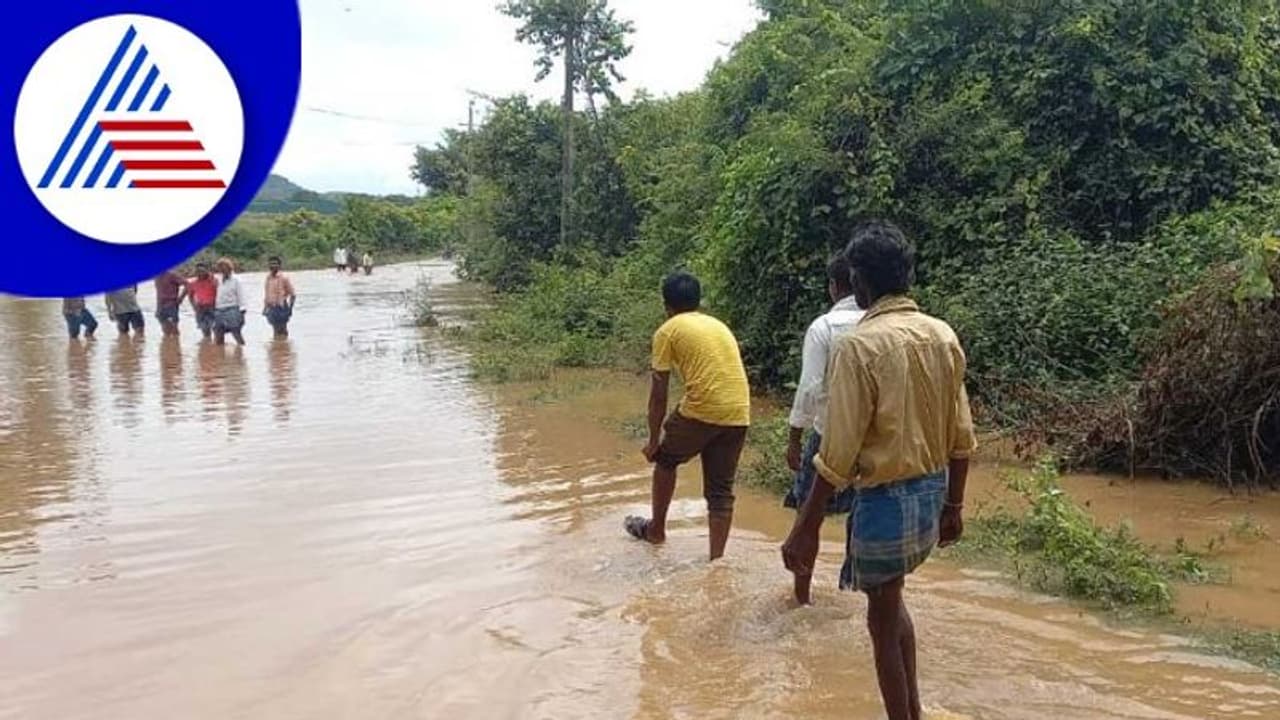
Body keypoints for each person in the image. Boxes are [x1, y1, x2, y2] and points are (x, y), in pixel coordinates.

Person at [781, 221, 977, 720]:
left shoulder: (860, 346)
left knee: (881, 623)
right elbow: (962, 435)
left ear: (860, 281)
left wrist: (804, 528)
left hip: (886, 501)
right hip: (931, 494)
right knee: (891, 604)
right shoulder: (942, 335)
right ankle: (914, 711)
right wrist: (954, 505)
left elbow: (838, 453)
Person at [624, 272, 751, 561]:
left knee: (666, 460)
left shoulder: (668, 330)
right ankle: (716, 560)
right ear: (698, 301)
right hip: (739, 412)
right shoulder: (717, 325)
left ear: (666, 306)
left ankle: (656, 530)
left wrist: (654, 439)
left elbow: (659, 392)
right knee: (720, 492)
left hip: (703, 407)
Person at [783, 253, 865, 605]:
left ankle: (802, 598)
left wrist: (794, 437)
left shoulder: (824, 327)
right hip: (873, 439)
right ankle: (861, 595)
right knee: (863, 514)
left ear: (834, 287)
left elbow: (810, 388)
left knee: (809, 513)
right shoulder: (881, 323)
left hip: (828, 435)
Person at [212, 257, 247, 346]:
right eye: (220, 268)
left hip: (232, 309)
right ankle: (221, 355)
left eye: (224, 267)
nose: (222, 269)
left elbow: (241, 295)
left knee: (236, 332)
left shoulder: (236, 280)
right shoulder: (218, 280)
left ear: (229, 267)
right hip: (219, 309)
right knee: (218, 333)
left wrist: (242, 311)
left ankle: (242, 351)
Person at [263, 256, 297, 339]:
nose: (273, 265)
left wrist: (290, 309)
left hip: (282, 307)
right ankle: (278, 347)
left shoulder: (284, 278)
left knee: (283, 328)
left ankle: (284, 347)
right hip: (271, 307)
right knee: (275, 328)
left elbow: (293, 294)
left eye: (275, 264)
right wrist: (265, 308)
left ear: (279, 265)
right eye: (271, 264)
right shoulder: (268, 278)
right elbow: (267, 294)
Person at [188, 262, 219, 340]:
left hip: (213, 307)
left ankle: (216, 348)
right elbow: (190, 296)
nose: (200, 273)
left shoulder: (213, 281)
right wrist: (194, 306)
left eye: (202, 271)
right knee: (204, 330)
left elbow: (220, 293)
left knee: (216, 329)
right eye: (198, 271)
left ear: (206, 270)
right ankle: (207, 346)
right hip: (200, 308)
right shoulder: (193, 283)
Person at [154, 267, 190, 337]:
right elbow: (159, 292)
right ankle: (169, 345)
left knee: (174, 328)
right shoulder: (156, 276)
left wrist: (181, 298)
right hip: (160, 305)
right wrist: (158, 307)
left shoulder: (171, 275)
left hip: (171, 304)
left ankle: (176, 344)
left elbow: (187, 284)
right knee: (165, 330)